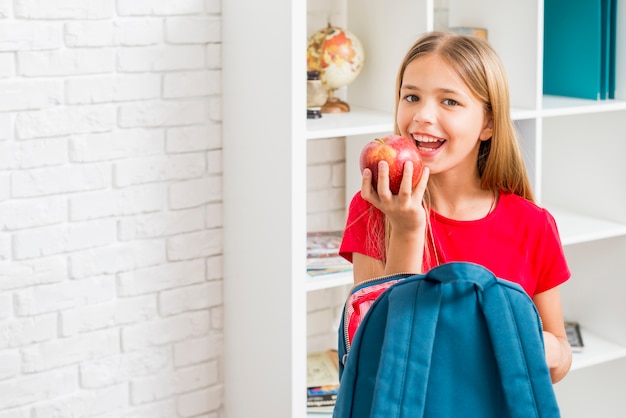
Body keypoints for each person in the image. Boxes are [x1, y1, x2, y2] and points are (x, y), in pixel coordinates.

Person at [339, 31, 572, 383]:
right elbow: (381, 354)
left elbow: (559, 359)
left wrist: (528, 340)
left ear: (489, 124)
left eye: (449, 102)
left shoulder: (532, 224)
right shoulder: (376, 208)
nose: (422, 116)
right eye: (412, 96)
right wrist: (407, 231)